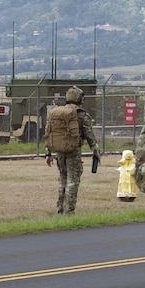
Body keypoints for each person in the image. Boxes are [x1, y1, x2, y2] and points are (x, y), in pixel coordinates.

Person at [44, 86, 100, 214]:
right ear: (80, 99)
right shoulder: (80, 114)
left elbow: (48, 132)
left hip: (59, 151)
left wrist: (48, 153)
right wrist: (95, 149)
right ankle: (69, 210)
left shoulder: (56, 113)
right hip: (73, 151)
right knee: (73, 180)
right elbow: (89, 133)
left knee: (62, 178)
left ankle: (60, 207)